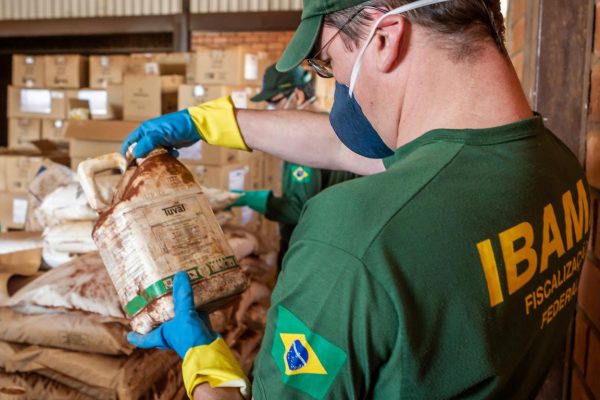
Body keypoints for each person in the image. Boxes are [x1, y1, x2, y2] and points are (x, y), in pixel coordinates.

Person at [124, 0, 590, 398]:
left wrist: (201, 354)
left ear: (384, 39)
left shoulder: (353, 238)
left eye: (328, 62)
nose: (339, 85)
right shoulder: (557, 166)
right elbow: (346, 149)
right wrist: (209, 122)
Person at [231, 64, 359, 266]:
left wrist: (250, 198)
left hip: (309, 252)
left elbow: (299, 208)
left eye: (274, 102)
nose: (271, 110)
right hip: (337, 247)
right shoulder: (332, 126)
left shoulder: (304, 140)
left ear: (298, 96)